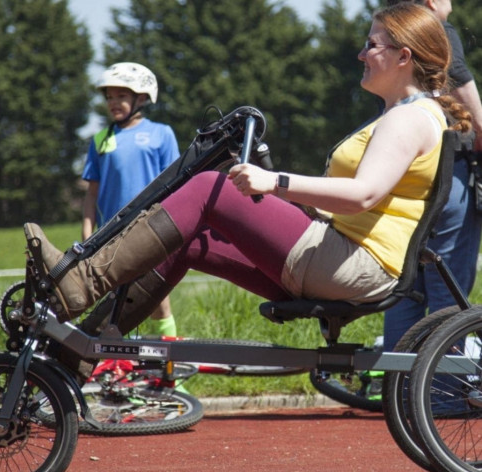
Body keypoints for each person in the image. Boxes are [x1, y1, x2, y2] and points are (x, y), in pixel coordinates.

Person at [24, 4, 471, 380]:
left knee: (207, 188)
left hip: (354, 263)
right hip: (345, 255)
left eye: (372, 45)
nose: (360, 53)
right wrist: (276, 195)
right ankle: (79, 352)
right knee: (193, 240)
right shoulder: (409, 115)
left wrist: (273, 183)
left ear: (403, 57)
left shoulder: (409, 118)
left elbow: (363, 195)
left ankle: (79, 284)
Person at [383, 0, 482, 351]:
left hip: (402, 174)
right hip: (446, 172)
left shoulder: (389, 31)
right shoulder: (437, 29)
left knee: (406, 288)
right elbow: (475, 116)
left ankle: (399, 388)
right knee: (448, 291)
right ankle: (443, 397)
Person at [81, 62, 180, 337]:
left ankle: (169, 374)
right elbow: (91, 195)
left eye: (121, 96)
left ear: (142, 98)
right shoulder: (100, 140)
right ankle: (115, 366)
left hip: (151, 231)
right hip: (111, 237)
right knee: (114, 303)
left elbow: (177, 186)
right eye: (109, 97)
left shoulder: (162, 134)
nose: (113, 103)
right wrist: (87, 236)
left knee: (158, 301)